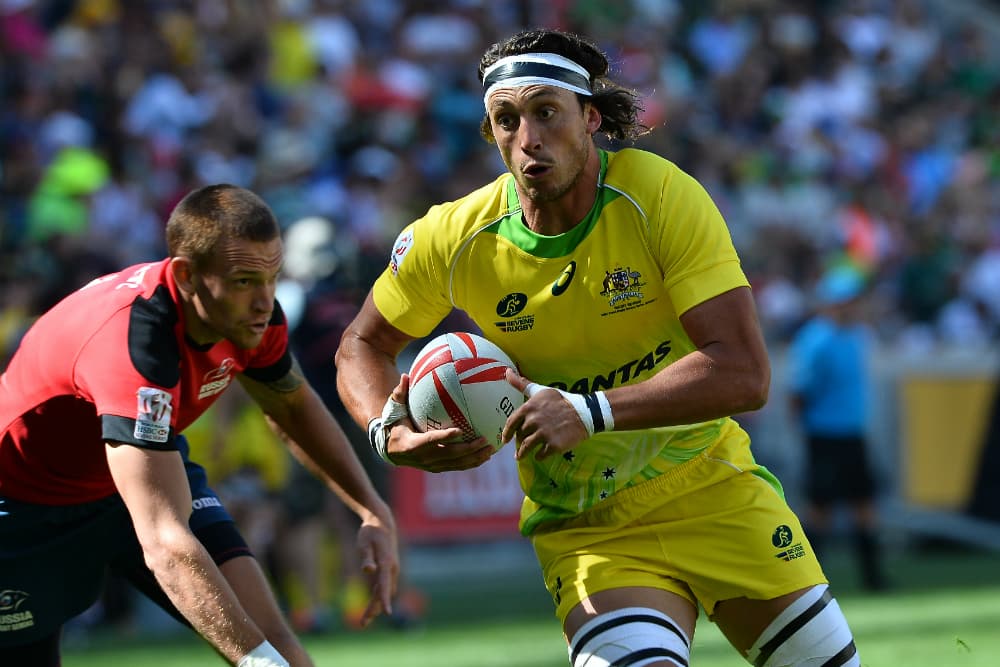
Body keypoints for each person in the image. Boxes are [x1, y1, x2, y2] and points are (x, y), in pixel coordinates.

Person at [335, 28, 862, 667]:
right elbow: (361, 345)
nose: (528, 137)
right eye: (506, 119)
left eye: (546, 112)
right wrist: (387, 431)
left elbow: (745, 373)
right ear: (491, 133)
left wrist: (587, 411)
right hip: (586, 526)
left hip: (708, 484)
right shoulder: (452, 237)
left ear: (591, 117)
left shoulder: (661, 196)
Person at [0, 184, 399, 667]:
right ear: (187, 276)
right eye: (245, 281)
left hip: (142, 466)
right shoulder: (134, 345)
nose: (264, 302)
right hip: (24, 503)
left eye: (272, 277)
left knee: (280, 646)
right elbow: (165, 544)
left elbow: (293, 407)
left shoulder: (252, 315)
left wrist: (371, 508)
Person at [788, 265, 889, 591]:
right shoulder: (815, 340)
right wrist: (805, 429)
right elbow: (798, 392)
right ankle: (809, 583)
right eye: (848, 300)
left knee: (864, 505)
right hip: (824, 434)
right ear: (833, 302)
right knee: (821, 509)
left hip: (853, 433)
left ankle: (873, 580)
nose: (855, 306)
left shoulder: (859, 335)